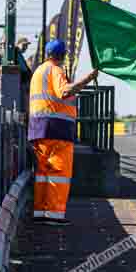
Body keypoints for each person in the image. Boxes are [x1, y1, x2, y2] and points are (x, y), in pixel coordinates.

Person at [28, 39, 98, 225]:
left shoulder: (38, 72)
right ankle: (54, 215)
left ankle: (40, 213)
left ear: (47, 53)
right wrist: (89, 78)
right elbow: (65, 92)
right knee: (59, 173)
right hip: (57, 129)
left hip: (39, 129)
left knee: (43, 174)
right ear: (63, 56)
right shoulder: (56, 70)